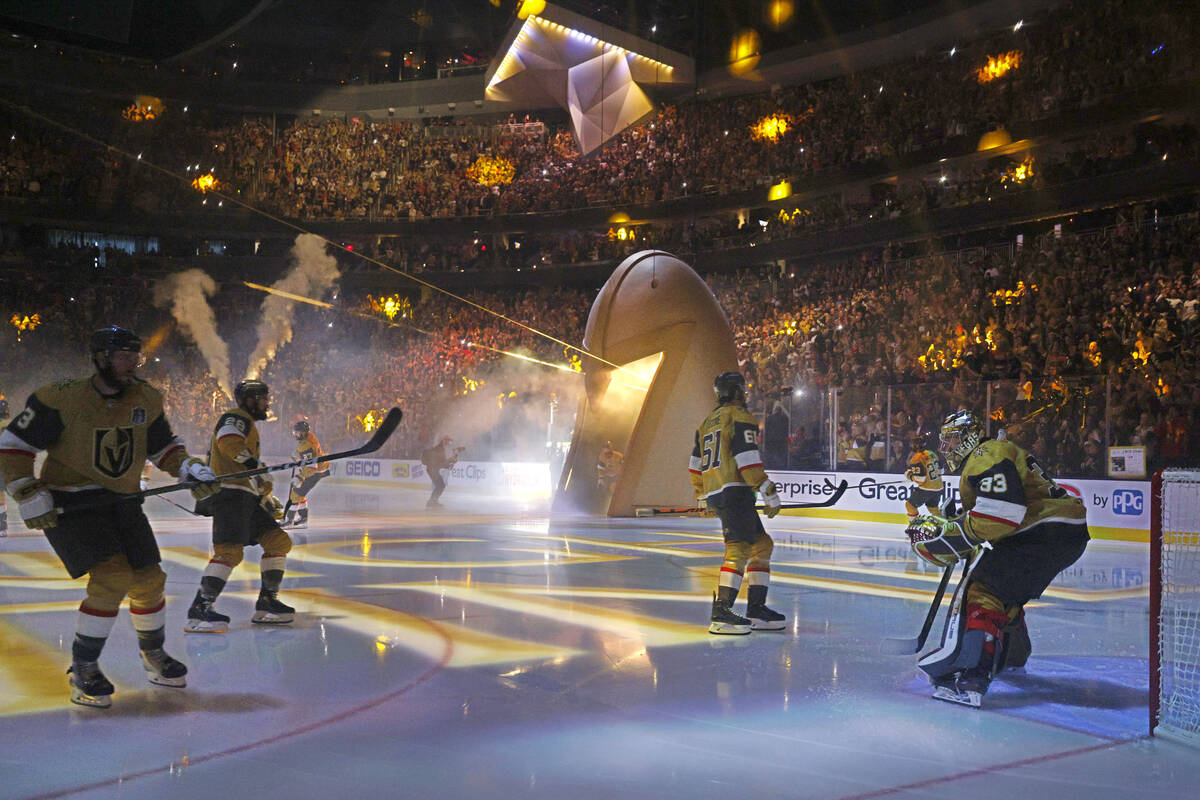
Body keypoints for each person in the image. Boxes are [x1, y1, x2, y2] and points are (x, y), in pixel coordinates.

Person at [0, 327, 219, 707]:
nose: (132, 363)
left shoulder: (146, 399)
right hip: (71, 503)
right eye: (123, 356)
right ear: (100, 357)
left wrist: (188, 468)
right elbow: (13, 445)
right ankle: (83, 667)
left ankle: (153, 656)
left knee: (151, 580)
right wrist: (24, 488)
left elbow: (164, 447)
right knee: (112, 577)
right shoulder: (61, 398)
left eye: (135, 356)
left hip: (121, 500)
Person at [905, 409, 1089, 707]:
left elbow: (1002, 513)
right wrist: (962, 521)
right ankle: (1012, 655)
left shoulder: (986, 453)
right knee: (1005, 590)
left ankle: (970, 674)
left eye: (951, 440)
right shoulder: (994, 452)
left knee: (983, 592)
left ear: (968, 437)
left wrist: (952, 532)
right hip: (1062, 531)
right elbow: (996, 514)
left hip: (1041, 529)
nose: (945, 449)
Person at [184, 380, 294, 633]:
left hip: (243, 496)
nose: (267, 403)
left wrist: (261, 488)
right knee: (229, 552)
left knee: (278, 542)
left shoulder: (247, 423)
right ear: (250, 400)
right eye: (263, 398)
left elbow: (240, 458)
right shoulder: (236, 417)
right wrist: (256, 469)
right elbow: (229, 443)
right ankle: (200, 610)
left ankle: (267, 603)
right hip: (230, 495)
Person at [688, 372, 786, 635]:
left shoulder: (706, 422)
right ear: (737, 392)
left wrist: (702, 493)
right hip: (736, 490)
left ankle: (756, 609)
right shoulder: (740, 417)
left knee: (762, 545)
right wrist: (765, 487)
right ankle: (722, 613)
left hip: (720, 492)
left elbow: (694, 464)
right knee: (739, 548)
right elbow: (746, 457)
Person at [283, 419, 328, 529]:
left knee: (295, 495)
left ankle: (289, 521)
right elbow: (308, 456)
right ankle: (303, 519)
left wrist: (300, 477)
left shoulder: (307, 445)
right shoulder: (308, 437)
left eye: (297, 433)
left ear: (303, 433)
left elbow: (312, 467)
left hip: (315, 472)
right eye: (294, 432)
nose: (295, 435)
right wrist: (298, 454)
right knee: (300, 494)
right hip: (318, 469)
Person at [902, 436, 945, 521]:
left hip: (926, 489)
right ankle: (943, 525)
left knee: (910, 506)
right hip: (938, 487)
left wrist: (910, 475)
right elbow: (941, 471)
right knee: (933, 509)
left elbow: (920, 479)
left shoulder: (916, 458)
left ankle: (913, 526)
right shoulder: (932, 453)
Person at [421, 435, 460, 508]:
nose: (449, 443)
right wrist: (450, 461)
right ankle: (432, 501)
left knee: (440, 485)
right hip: (432, 469)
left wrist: (449, 463)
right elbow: (441, 463)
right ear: (444, 441)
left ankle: (432, 501)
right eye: (448, 441)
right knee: (440, 485)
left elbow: (441, 463)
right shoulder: (439, 449)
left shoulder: (440, 448)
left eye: (450, 441)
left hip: (432, 469)